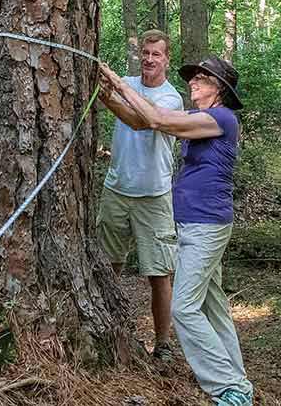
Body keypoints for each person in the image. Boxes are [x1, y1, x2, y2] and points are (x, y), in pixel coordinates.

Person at [99, 55, 253, 406]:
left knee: (184, 308)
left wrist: (121, 82)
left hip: (206, 225)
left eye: (202, 79)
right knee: (213, 306)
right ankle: (238, 380)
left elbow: (156, 117)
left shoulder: (221, 118)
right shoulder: (201, 117)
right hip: (195, 223)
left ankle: (228, 388)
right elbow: (143, 123)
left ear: (220, 90)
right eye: (194, 77)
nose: (193, 83)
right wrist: (106, 93)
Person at [96, 30, 183, 361]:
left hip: (154, 196)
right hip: (116, 190)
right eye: (145, 53)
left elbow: (141, 120)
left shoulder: (172, 98)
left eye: (156, 54)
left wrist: (114, 90)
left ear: (166, 59)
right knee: (108, 265)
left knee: (159, 273)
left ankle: (163, 344)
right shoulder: (128, 82)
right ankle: (108, 329)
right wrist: (107, 86)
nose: (149, 59)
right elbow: (117, 101)